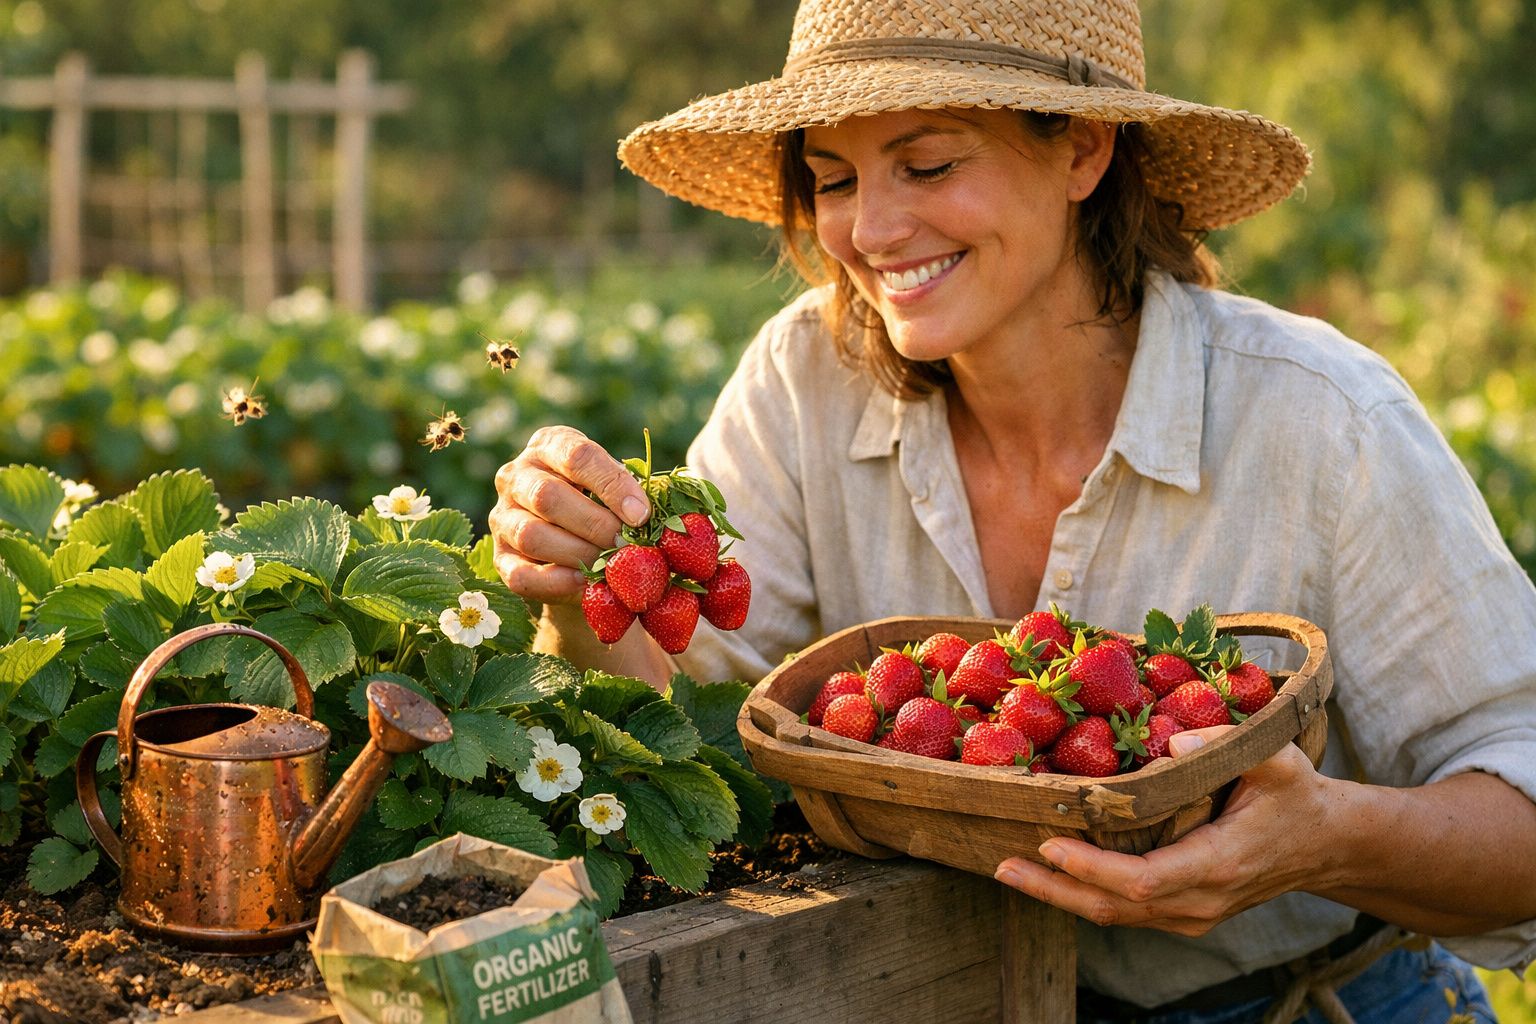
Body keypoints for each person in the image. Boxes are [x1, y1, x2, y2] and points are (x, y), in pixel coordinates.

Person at [488, 0, 1536, 1019]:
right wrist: (580, 587)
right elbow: (683, 721)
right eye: (834, 179)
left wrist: (1323, 842)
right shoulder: (804, 381)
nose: (873, 229)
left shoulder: (1320, 418)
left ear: (1083, 151)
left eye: (930, 164)